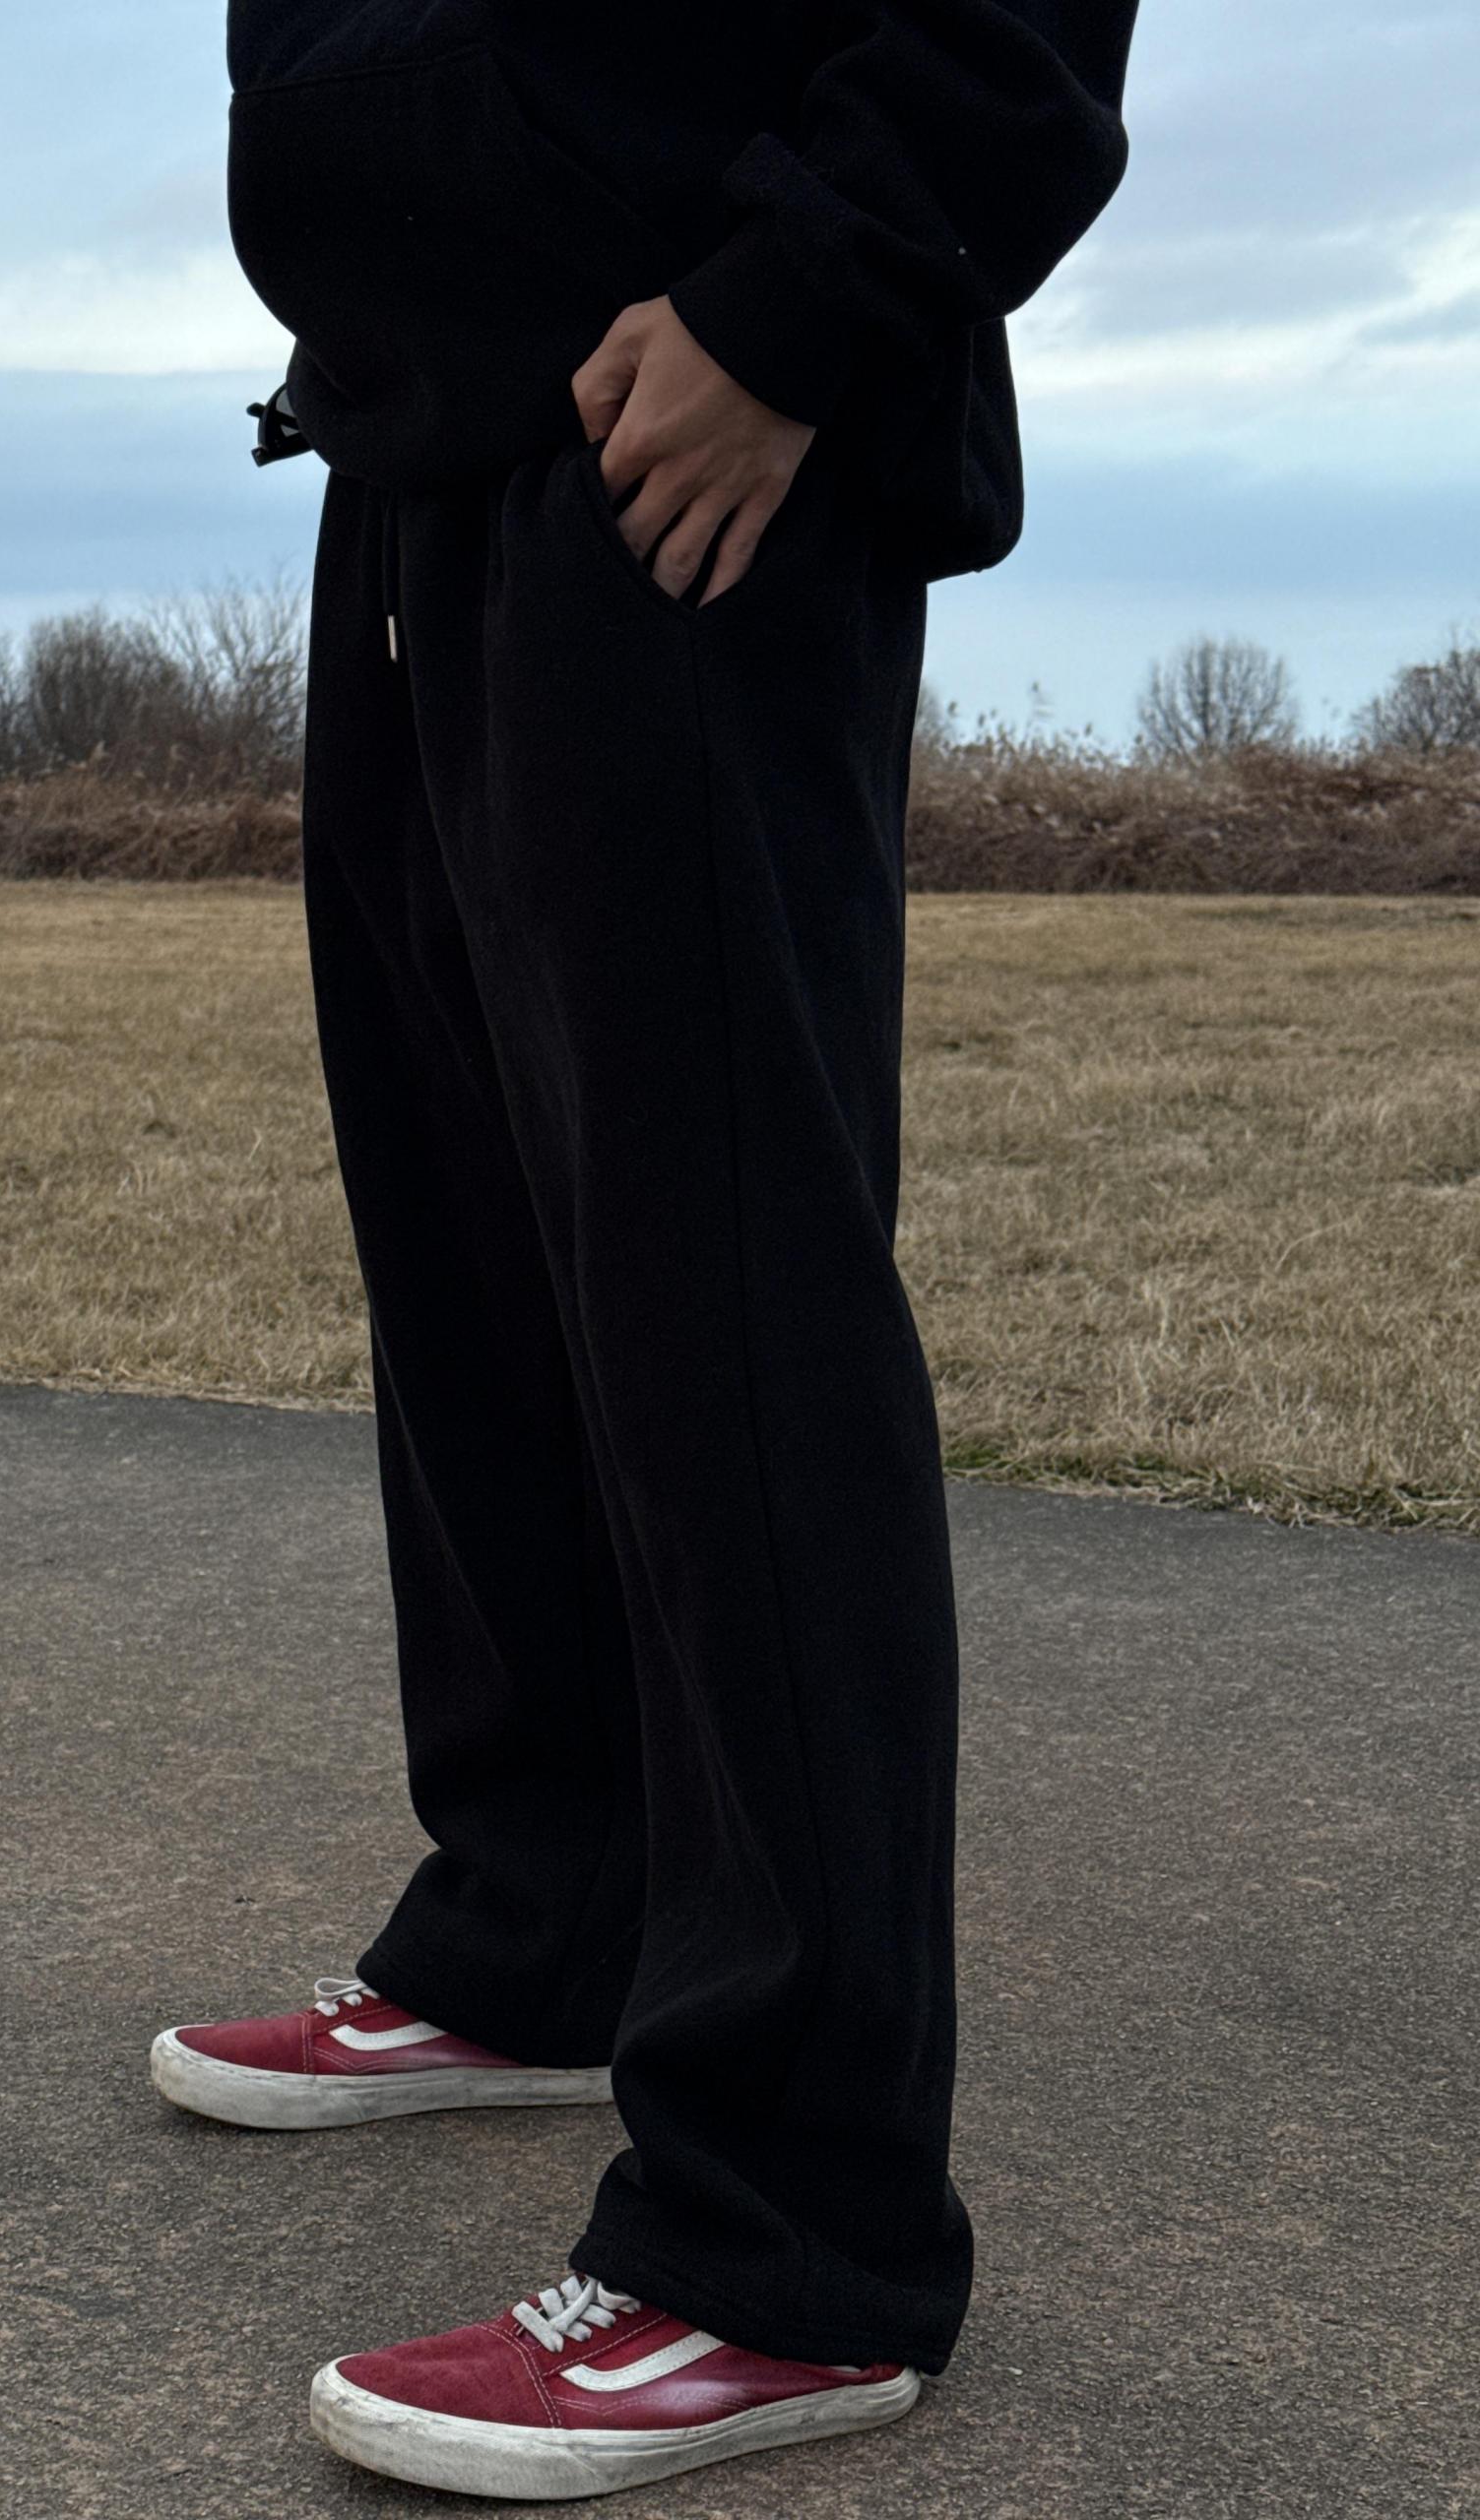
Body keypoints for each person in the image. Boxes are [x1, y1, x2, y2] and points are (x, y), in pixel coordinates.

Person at [154, 1, 1140, 2496]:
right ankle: (551, 1916)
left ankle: (793, 2229)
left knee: (730, 1302)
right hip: (429, 427)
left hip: (687, 406)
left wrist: (800, 300)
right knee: (479, 1260)